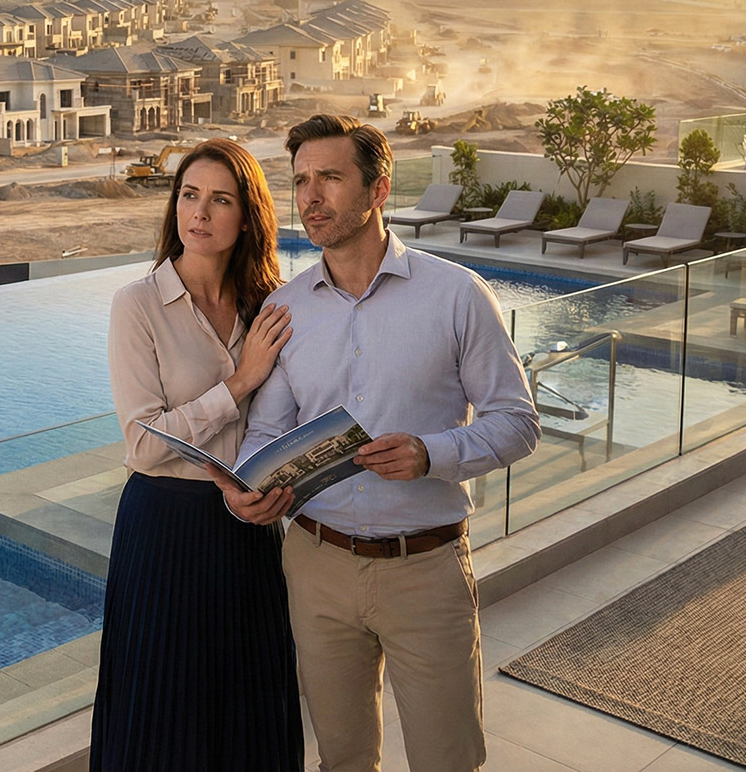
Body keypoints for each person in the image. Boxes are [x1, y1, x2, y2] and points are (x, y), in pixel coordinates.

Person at [217, 114, 539, 772]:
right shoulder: (287, 309)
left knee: (447, 758)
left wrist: (432, 452)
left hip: (425, 569)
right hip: (317, 567)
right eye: (301, 180)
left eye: (330, 177)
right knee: (342, 758)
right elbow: (268, 428)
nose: (310, 196)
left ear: (378, 188)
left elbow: (517, 420)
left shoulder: (456, 296)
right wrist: (252, 488)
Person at [91, 137, 303, 771]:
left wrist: (285, 487)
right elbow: (143, 443)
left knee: (247, 703)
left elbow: (294, 418)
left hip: (248, 531)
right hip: (164, 531)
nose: (199, 213)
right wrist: (239, 381)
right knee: (162, 711)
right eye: (188, 196)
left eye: (219, 199)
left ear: (247, 216)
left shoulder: (270, 306)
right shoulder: (137, 307)